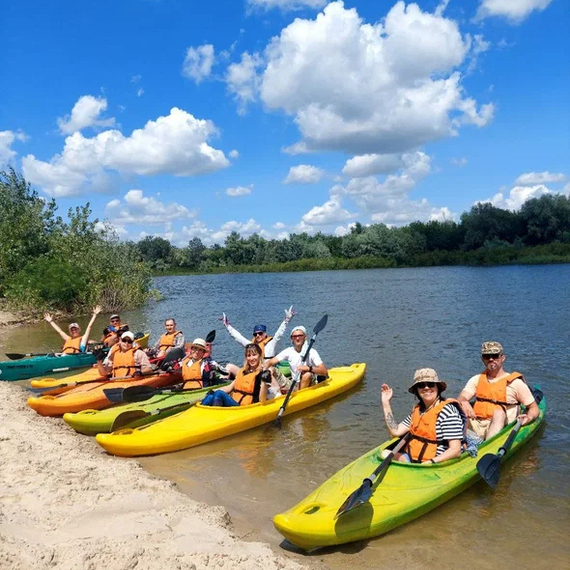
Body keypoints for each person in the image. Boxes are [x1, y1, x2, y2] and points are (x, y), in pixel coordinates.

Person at [381, 368, 465, 464]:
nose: (426, 388)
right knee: (385, 454)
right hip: (412, 459)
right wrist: (386, 402)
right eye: (421, 385)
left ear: (438, 388)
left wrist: (430, 462)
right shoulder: (418, 410)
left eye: (430, 384)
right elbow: (395, 431)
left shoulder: (448, 411)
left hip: (435, 463)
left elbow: (456, 450)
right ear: (417, 390)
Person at [457, 341, 539, 440]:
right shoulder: (476, 379)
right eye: (487, 356)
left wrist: (529, 418)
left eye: (495, 356)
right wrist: (464, 401)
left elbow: (534, 408)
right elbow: (462, 397)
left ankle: (489, 447)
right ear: (482, 359)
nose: (491, 359)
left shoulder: (515, 383)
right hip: (477, 422)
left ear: (502, 358)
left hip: (501, 427)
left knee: (499, 413)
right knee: (452, 409)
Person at [201, 343, 271, 407]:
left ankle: (216, 417)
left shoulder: (262, 374)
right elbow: (229, 387)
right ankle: (198, 415)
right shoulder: (242, 371)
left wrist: (264, 381)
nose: (251, 358)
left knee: (219, 394)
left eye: (254, 355)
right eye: (249, 356)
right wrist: (213, 390)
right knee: (211, 396)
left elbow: (262, 400)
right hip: (235, 404)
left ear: (259, 356)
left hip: (247, 408)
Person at [263, 325, 327, 390]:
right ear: (291, 339)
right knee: (271, 369)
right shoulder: (289, 351)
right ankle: (276, 393)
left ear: (305, 337)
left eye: (300, 336)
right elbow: (271, 362)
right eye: (295, 336)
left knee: (307, 374)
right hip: (294, 383)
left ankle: (301, 396)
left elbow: (324, 371)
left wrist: (308, 368)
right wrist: (266, 368)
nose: (297, 338)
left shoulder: (312, 352)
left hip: (309, 382)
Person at [220, 306, 296, 358]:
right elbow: (238, 337)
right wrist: (227, 325)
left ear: (265, 334)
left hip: (268, 371)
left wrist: (287, 320)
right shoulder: (252, 346)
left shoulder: (272, 343)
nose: (257, 335)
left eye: (260, 333)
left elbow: (279, 333)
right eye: (255, 334)